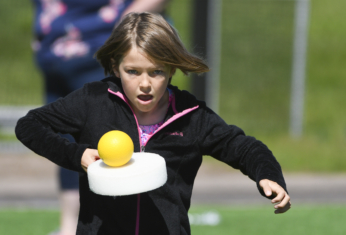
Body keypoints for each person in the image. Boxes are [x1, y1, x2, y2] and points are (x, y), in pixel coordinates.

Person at [17, 12, 291, 235]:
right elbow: (29, 126)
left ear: (171, 69)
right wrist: (77, 156)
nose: (145, 84)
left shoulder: (191, 114)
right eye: (133, 72)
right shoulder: (94, 101)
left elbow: (242, 147)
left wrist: (267, 174)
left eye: (156, 72)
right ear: (115, 66)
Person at [31, 1, 169, 234]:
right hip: (55, 54)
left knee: (113, 140)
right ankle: (68, 225)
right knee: (69, 142)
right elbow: (29, 128)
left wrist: (127, 22)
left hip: (100, 50)